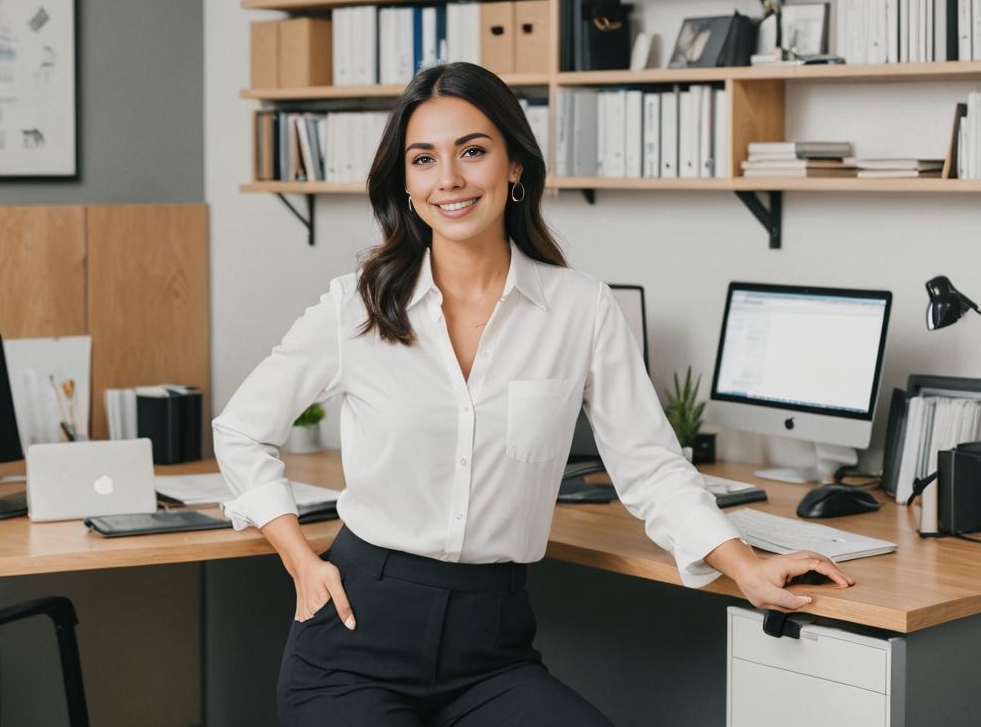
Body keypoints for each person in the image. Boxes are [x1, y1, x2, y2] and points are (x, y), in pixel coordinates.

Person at [212, 61, 853, 726]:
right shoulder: (359, 307)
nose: (450, 179)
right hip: (353, 642)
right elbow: (240, 429)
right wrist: (298, 559)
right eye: (424, 159)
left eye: (473, 151)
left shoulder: (581, 309)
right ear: (406, 182)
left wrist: (744, 567)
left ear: (515, 165)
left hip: (489, 652)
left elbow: (649, 465)